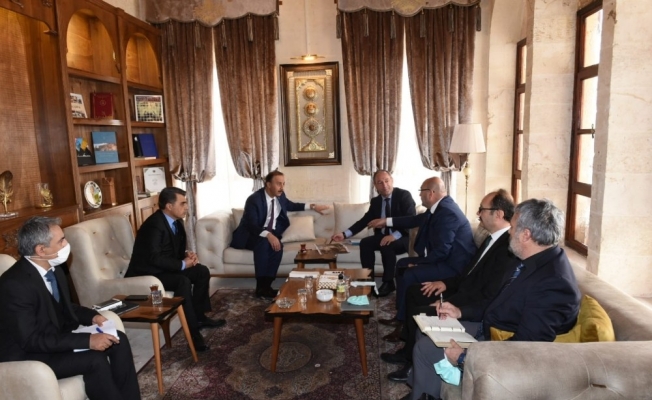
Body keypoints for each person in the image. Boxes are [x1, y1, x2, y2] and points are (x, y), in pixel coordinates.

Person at [405, 198, 582, 400]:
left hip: (502, 342)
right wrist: (460, 311)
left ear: (526, 235)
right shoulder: (531, 259)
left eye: (512, 228)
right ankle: (424, 392)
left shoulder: (553, 284)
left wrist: (464, 357)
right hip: (492, 326)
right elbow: (497, 301)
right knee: (426, 328)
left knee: (425, 348)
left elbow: (526, 347)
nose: (509, 232)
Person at [381, 189, 516, 382]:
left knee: (421, 310)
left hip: (470, 303)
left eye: (482, 209)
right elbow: (468, 274)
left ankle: (412, 365)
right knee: (414, 291)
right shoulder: (492, 238)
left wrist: (452, 303)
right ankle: (407, 352)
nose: (478, 214)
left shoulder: (507, 248)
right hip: (462, 288)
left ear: (499, 214)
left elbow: (487, 293)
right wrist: (444, 283)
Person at [0, 216, 141, 400]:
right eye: (61, 241)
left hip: (53, 338)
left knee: (118, 339)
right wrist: (87, 341)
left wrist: (93, 316)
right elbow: (31, 340)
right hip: (30, 355)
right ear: (41, 250)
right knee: (94, 359)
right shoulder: (15, 285)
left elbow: (65, 307)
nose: (67, 244)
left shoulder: (54, 268)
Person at [369, 177, 476, 337]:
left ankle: (405, 328)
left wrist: (420, 264)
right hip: (444, 260)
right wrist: (386, 221)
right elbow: (415, 220)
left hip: (453, 267)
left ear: (431, 193)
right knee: (402, 264)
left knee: (410, 273)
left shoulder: (447, 213)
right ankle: (400, 317)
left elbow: (442, 251)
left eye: (421, 191)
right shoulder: (438, 208)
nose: (419, 195)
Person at [126, 187, 225, 353]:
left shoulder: (177, 222)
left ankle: (199, 317)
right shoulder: (153, 226)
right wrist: (182, 265)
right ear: (169, 206)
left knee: (202, 271)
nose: (186, 207)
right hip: (148, 274)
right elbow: (153, 258)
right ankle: (193, 333)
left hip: (165, 268)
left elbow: (172, 250)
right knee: (182, 281)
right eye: (183, 203)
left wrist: (187, 255)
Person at [230, 170, 328, 299]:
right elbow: (251, 224)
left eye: (283, 184)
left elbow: (290, 205)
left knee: (278, 247)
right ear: (268, 184)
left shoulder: (280, 196)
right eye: (278, 184)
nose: (282, 187)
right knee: (264, 243)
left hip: (268, 234)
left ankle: (267, 286)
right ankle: (260, 287)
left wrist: (313, 206)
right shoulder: (254, 200)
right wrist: (269, 235)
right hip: (250, 235)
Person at [330, 170, 416, 297]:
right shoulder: (376, 201)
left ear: (392, 181)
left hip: (403, 236)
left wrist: (393, 236)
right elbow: (364, 220)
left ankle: (388, 282)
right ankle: (368, 280)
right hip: (383, 236)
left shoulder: (404, 195)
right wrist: (344, 234)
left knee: (386, 244)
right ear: (375, 186)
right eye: (380, 183)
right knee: (365, 243)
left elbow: (411, 220)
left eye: (386, 181)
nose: (384, 185)